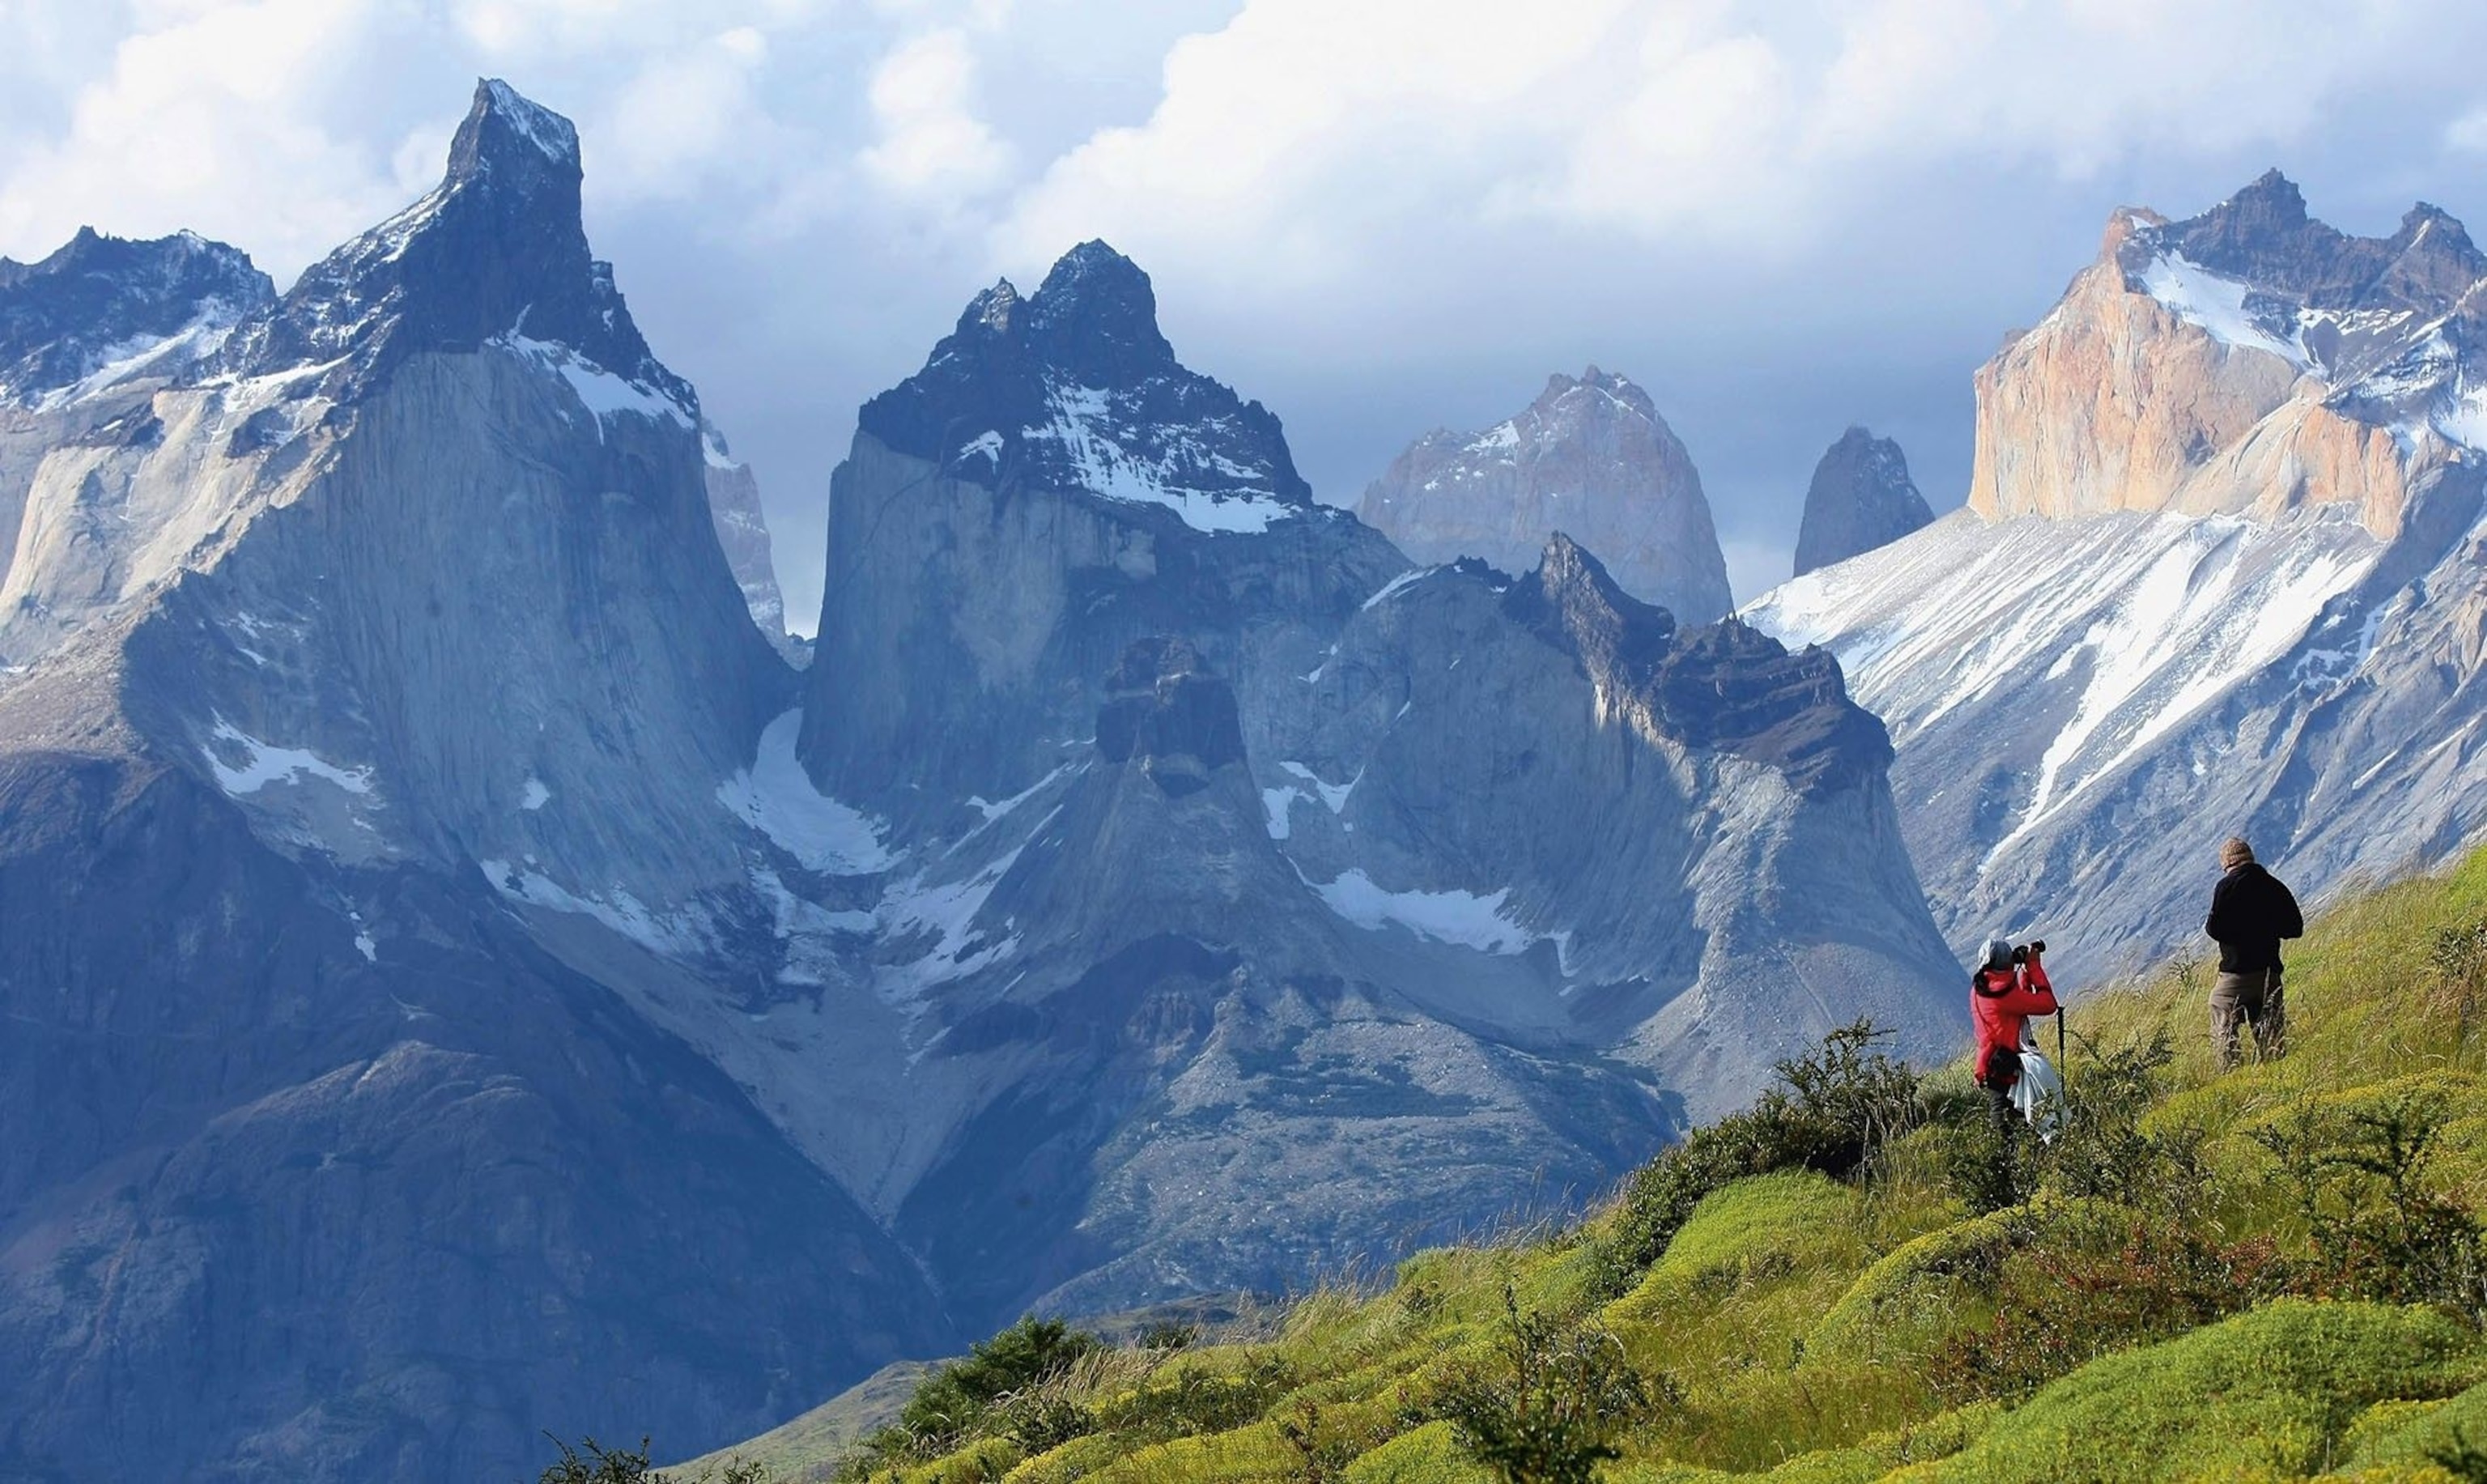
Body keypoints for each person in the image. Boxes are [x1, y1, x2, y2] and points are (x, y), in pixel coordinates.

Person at [2204, 836, 2302, 1069]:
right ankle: (2276, 1070)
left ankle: (2231, 1071)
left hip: (2237, 973)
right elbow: (2294, 928)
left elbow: (2214, 929)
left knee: (2221, 1014)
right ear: (2249, 858)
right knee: (2270, 1027)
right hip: (2269, 972)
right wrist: (2267, 927)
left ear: (2227, 863)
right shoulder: (2274, 885)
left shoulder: (2226, 887)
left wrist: (2239, 932)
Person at [1970, 937, 2058, 1134]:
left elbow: (2018, 1004)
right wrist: (2033, 967)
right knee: (2013, 1123)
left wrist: (2023, 974)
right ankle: (2015, 1159)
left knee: (2003, 1118)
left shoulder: (1980, 989)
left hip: (1990, 1064)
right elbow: (2048, 1004)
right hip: (2007, 1068)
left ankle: (2008, 1158)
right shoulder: (2004, 995)